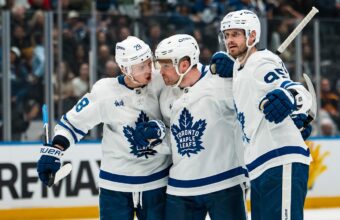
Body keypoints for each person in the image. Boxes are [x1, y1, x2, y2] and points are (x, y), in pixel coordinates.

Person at [37, 36, 171, 220]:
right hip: (115, 185)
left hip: (157, 182)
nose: (149, 69)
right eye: (141, 67)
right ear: (125, 68)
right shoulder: (105, 91)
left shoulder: (161, 80)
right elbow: (73, 123)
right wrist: (54, 150)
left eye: (149, 63)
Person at [216, 10, 313, 220]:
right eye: (226, 35)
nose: (229, 40)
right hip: (260, 165)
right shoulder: (240, 69)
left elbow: (296, 91)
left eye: (235, 34)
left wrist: (291, 98)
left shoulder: (261, 61)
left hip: (280, 158)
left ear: (252, 36)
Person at [154, 34, 248, 220]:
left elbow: (254, 105)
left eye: (165, 65)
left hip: (225, 183)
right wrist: (156, 135)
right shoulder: (166, 94)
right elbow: (172, 139)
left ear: (184, 64)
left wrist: (240, 71)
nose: (160, 71)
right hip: (181, 188)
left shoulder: (221, 82)